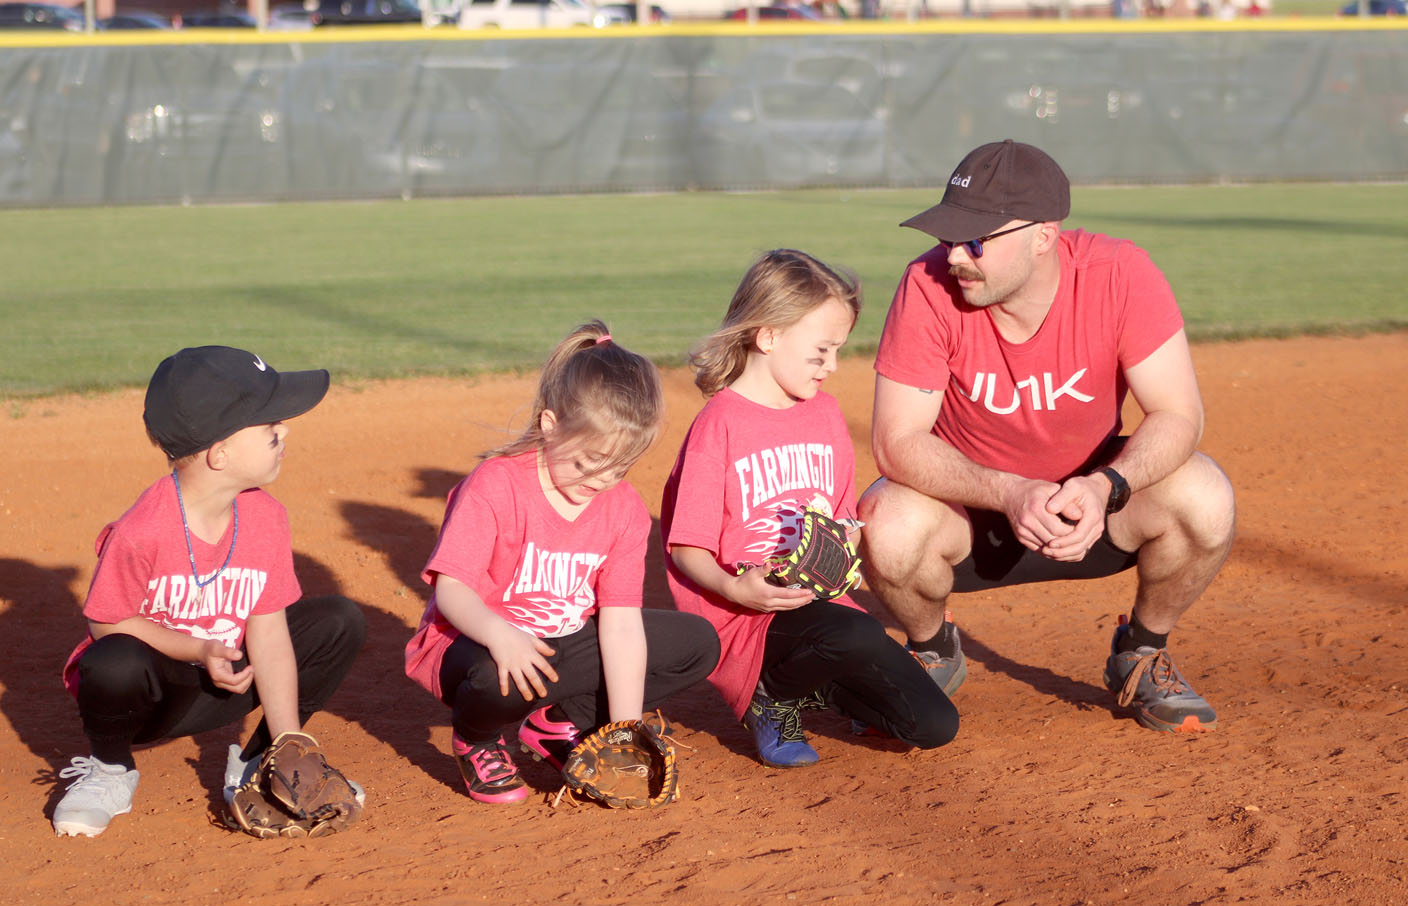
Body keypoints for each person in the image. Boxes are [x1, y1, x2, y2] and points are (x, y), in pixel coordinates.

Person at [858, 140, 1236, 735]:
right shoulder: (928, 286)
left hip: (1092, 508)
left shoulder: (1120, 274)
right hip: (973, 514)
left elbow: (1177, 414)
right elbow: (897, 442)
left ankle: (1141, 652)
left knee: (1205, 496)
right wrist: (1009, 491)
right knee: (886, 521)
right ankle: (933, 650)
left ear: (1043, 236)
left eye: (976, 239)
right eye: (947, 235)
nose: (954, 254)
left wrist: (1108, 484)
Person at [661, 249, 959, 769]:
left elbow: (841, 520)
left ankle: (814, 685)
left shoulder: (824, 414)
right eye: (822, 350)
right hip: (749, 613)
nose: (834, 366)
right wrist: (736, 588)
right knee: (858, 632)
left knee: (932, 725)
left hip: (821, 613)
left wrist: (840, 548)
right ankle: (769, 695)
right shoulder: (721, 424)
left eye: (839, 350)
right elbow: (687, 548)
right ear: (769, 336)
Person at [53, 346, 367, 837]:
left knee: (339, 621)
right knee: (112, 658)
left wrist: (289, 739)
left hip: (233, 679)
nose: (283, 430)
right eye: (269, 425)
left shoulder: (266, 517)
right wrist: (198, 648)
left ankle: (261, 762)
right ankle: (109, 771)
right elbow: (105, 621)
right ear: (220, 454)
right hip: (154, 699)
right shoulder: (142, 530)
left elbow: (269, 631)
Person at [404, 321, 719, 805]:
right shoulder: (496, 484)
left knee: (697, 644)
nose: (602, 478)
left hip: (560, 649)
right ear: (550, 427)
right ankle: (478, 738)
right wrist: (500, 634)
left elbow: (619, 623)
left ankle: (559, 723)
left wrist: (625, 726)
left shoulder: (625, 509)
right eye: (589, 461)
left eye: (621, 466)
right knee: (496, 673)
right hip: (475, 641)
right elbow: (453, 590)